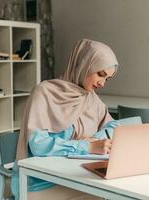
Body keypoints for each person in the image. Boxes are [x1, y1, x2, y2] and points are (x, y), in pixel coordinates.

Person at [11, 38, 120, 200]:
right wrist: (87, 147)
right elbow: (38, 145)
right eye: (100, 74)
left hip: (74, 176)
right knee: (104, 196)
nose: (102, 83)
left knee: (111, 194)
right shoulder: (43, 93)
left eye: (107, 79)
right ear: (84, 64)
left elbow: (113, 125)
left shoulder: (90, 97)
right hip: (39, 181)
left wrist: (97, 140)